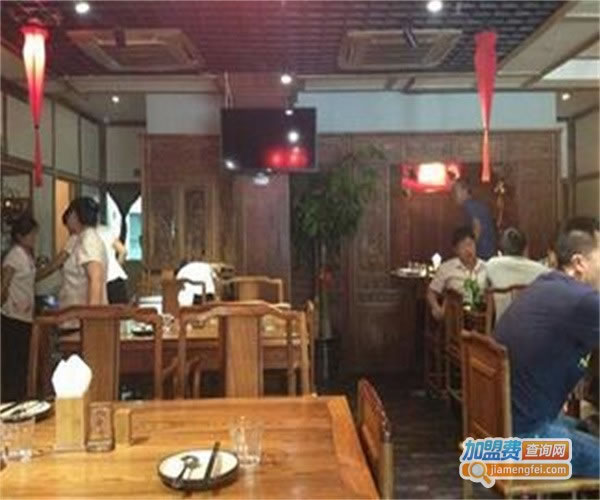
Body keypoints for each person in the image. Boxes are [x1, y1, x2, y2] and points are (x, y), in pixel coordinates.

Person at [495, 216, 600, 477]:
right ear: (579, 263)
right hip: (526, 444)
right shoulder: (582, 300)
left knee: (587, 428)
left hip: (501, 430)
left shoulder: (544, 285)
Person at [1, 214, 38, 401]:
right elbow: (4, 284)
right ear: (20, 236)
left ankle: (19, 397)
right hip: (12, 316)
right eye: (31, 234)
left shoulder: (27, 255)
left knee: (21, 360)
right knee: (13, 361)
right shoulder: (14, 255)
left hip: (24, 315)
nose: (33, 238)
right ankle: (11, 399)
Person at [427, 226, 487, 321]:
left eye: (470, 244)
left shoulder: (486, 267)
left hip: (481, 316)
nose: (468, 250)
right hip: (455, 319)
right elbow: (431, 292)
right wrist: (437, 308)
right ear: (455, 250)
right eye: (463, 246)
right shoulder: (446, 268)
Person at [486, 227, 548, 319]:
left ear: (501, 250)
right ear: (525, 249)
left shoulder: (492, 264)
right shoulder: (542, 270)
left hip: (503, 326)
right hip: (533, 325)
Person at [59, 197, 108, 308]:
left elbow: (95, 279)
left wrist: (90, 315)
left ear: (75, 215)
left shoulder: (89, 239)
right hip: (74, 312)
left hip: (81, 314)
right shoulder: (80, 238)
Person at [452, 179, 497, 259]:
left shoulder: (470, 205)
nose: (453, 195)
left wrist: (468, 249)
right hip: (488, 251)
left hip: (483, 253)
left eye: (455, 191)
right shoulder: (476, 204)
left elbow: (477, 228)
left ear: (465, 191)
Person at [96, 224, 129, 304]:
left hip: (100, 280)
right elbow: (123, 251)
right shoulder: (106, 231)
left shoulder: (82, 235)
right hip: (116, 277)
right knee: (120, 310)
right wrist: (117, 265)